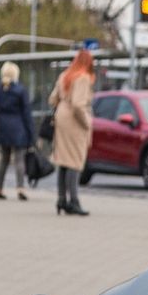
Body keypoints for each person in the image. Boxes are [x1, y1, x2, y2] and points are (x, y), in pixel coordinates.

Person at [48, 49, 96, 217]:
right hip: (74, 121)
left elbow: (52, 99)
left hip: (61, 117)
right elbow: (78, 104)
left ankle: (61, 200)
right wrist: (87, 122)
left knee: (63, 161)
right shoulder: (82, 78)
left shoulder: (65, 75)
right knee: (75, 161)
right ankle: (74, 201)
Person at [0, 62, 34, 200]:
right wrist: (31, 134)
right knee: (19, 160)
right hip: (18, 128)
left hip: (3, 128)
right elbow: (26, 113)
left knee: (3, 160)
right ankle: (20, 188)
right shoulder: (20, 90)